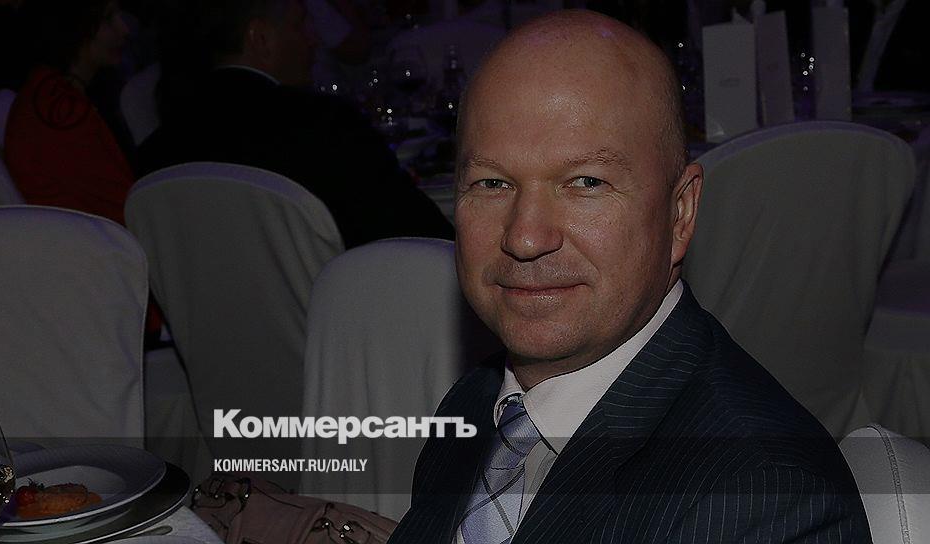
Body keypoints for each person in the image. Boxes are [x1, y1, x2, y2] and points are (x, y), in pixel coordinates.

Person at [389, 10, 870, 543]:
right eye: (492, 183)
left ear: (680, 213)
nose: (524, 238)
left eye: (586, 183)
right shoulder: (476, 403)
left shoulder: (765, 499)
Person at [139, 0, 455, 249]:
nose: (313, 39)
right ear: (261, 39)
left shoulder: (156, 153)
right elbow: (425, 236)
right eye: (301, 24)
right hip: (335, 310)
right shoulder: (324, 126)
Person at [4, 0, 133, 225]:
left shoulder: (45, 91)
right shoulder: (60, 113)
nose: (124, 29)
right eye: (108, 19)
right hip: (94, 240)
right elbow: (126, 210)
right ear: (74, 26)